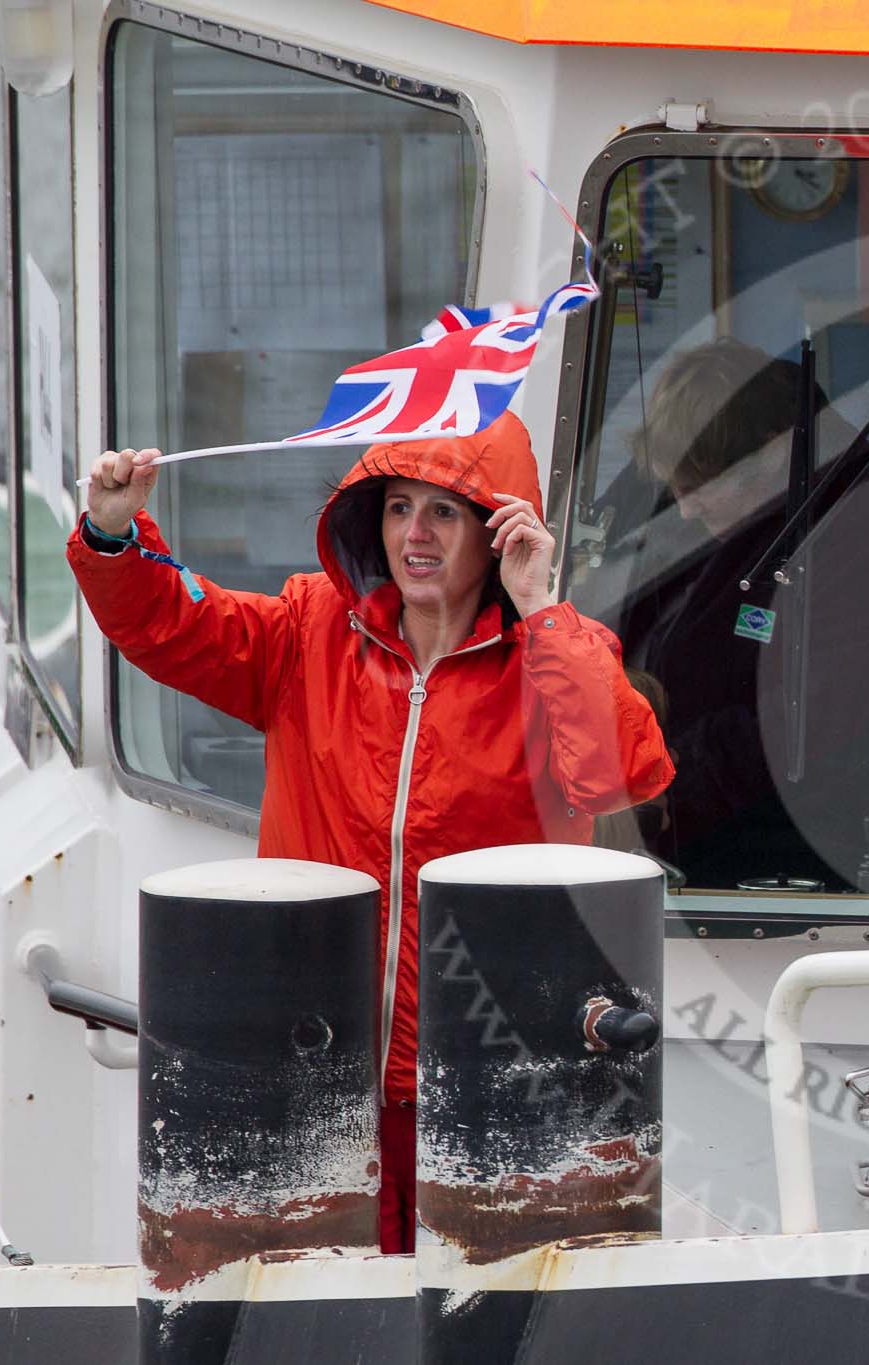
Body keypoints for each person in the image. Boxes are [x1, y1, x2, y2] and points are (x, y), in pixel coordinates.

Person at [70, 413, 674, 1253]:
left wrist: (540, 606)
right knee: (317, 1320)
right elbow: (169, 623)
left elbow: (621, 770)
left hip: (493, 1086)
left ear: (500, 532)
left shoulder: (553, 657)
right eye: (396, 507)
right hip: (317, 1072)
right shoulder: (308, 627)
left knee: (489, 1321)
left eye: (443, 512)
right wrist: (113, 533)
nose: (414, 534)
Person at [590, 339, 869, 891]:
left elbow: (811, 723)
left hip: (797, 870)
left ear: (774, 451)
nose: (685, 508)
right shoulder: (737, 492)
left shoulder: (865, 528)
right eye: (674, 489)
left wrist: (660, 784)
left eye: (698, 488)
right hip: (687, 838)